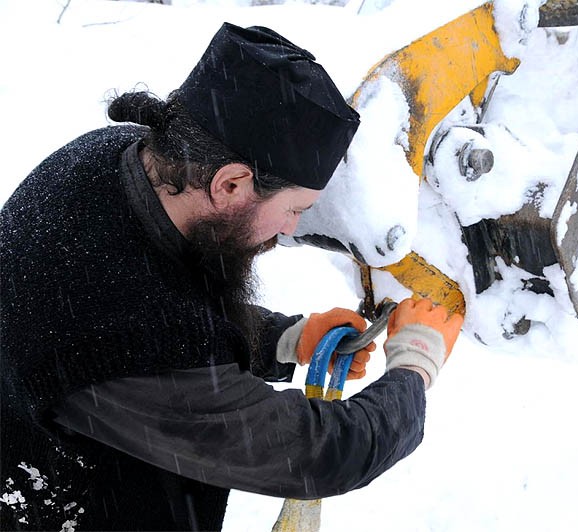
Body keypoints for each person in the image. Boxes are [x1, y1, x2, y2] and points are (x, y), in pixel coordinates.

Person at [0, 22, 463, 531]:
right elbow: (319, 455)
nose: (291, 229)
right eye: (293, 209)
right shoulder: (122, 341)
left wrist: (284, 338)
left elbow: (169, 297)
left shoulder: (114, 159)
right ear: (230, 183)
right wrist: (415, 364)